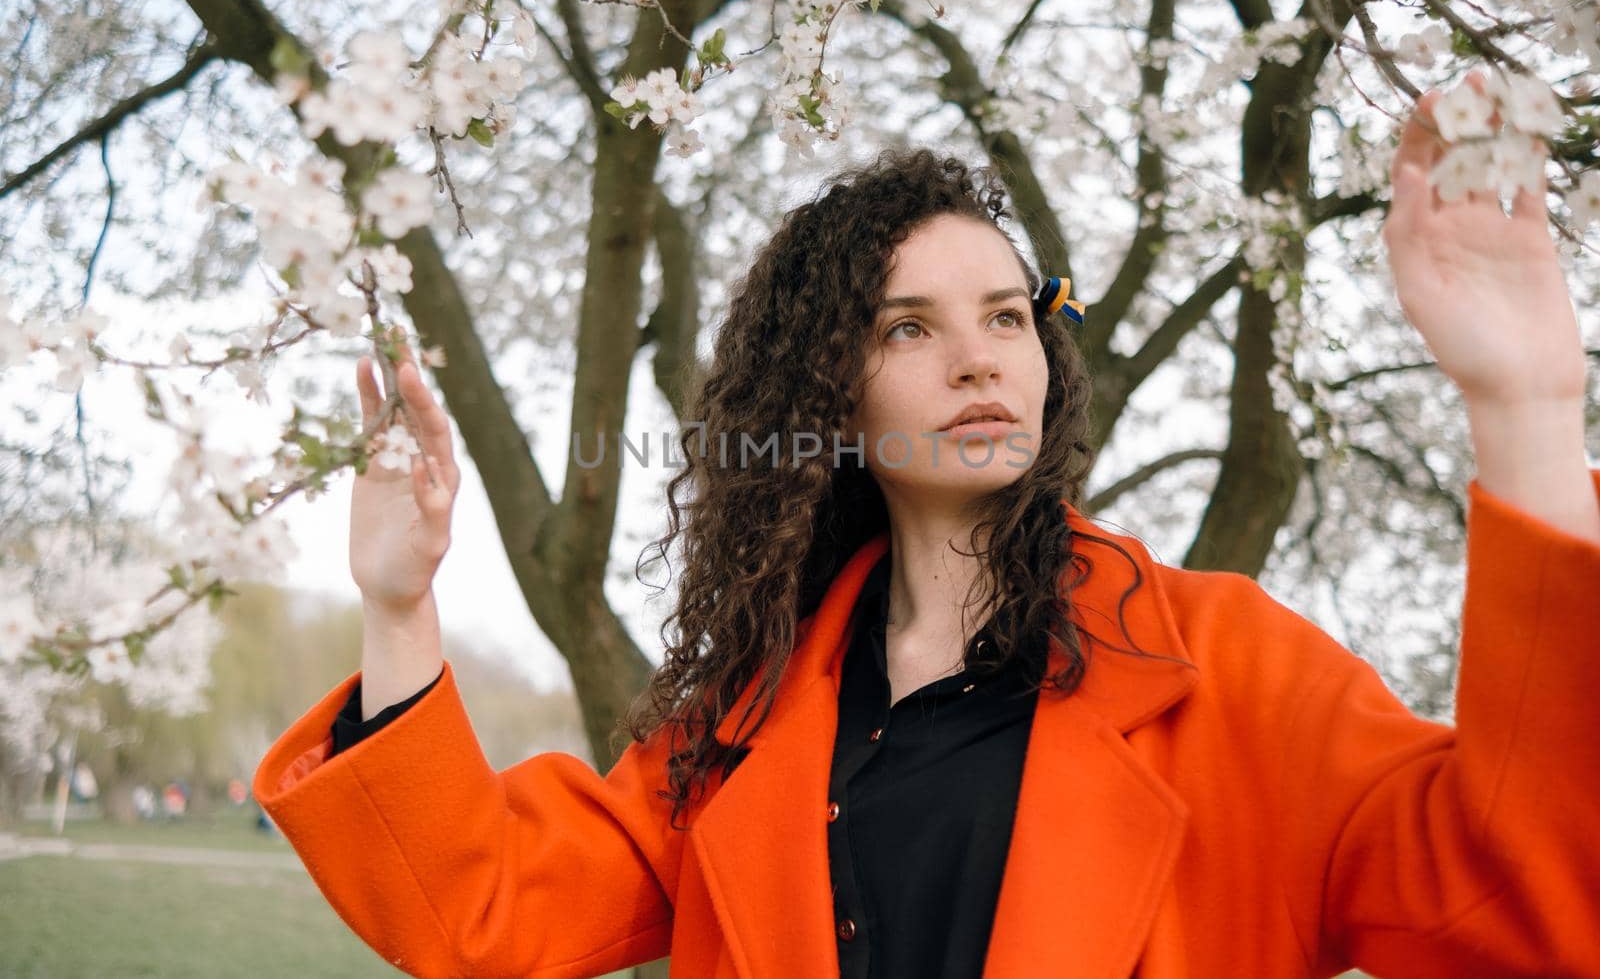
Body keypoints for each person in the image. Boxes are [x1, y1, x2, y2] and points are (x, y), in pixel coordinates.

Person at [253, 84, 1600, 978]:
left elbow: (1530, 900)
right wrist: (396, 603)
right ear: (830, 389)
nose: (979, 358)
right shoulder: (742, 719)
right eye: (912, 325)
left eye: (1008, 315)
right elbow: (473, 912)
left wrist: (1528, 404)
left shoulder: (1228, 667)